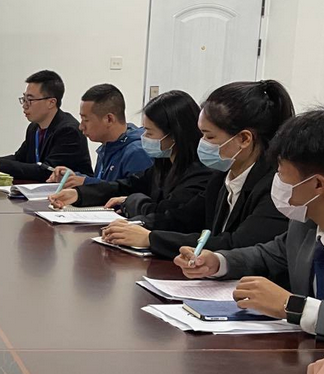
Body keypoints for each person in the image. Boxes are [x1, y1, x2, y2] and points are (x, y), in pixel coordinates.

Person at [176, 107, 324, 345]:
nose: (277, 181)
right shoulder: (305, 225)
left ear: (317, 185)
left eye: (281, 173)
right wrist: (218, 262)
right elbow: (268, 255)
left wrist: (294, 306)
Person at [123, 80, 293, 257]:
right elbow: (185, 218)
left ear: (244, 139)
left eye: (209, 137)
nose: (202, 143)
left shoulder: (274, 187)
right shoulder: (222, 176)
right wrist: (137, 225)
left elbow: (235, 244)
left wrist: (151, 239)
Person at [50, 90, 208, 228]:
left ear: (174, 135)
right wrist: (79, 194)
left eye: (149, 132)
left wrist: (131, 201)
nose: (143, 137)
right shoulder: (164, 162)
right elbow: (127, 185)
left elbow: (167, 215)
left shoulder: (199, 173)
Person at [0, 70, 92, 179]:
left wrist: (0, 167)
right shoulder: (34, 128)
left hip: (71, 192)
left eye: (30, 100)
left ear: (51, 102)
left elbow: (48, 171)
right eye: (24, 99)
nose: (25, 105)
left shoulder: (68, 131)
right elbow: (20, 158)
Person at [47, 83, 151, 188]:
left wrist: (86, 182)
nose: (81, 127)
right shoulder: (108, 146)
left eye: (86, 120)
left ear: (109, 119)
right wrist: (74, 177)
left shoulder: (137, 152)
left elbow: (129, 192)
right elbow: (103, 183)